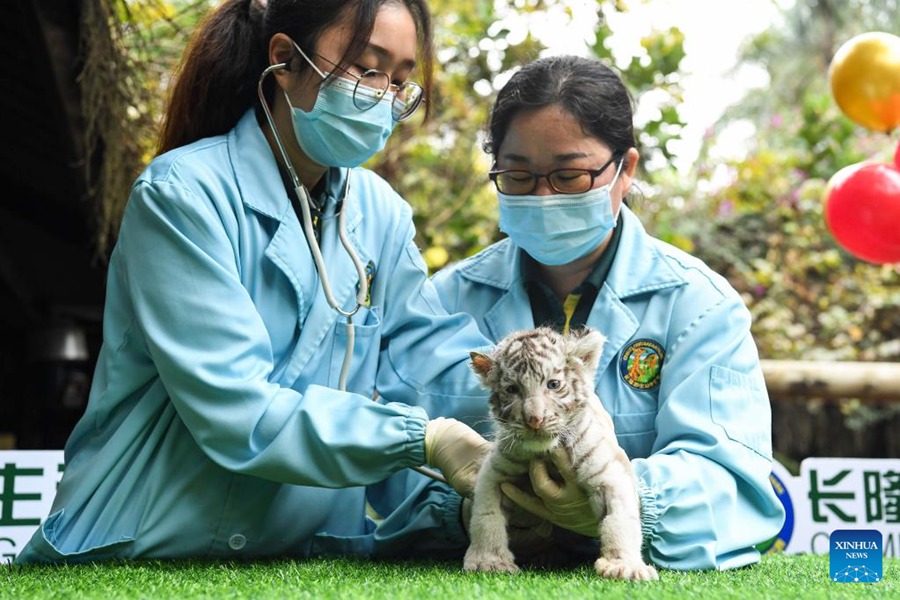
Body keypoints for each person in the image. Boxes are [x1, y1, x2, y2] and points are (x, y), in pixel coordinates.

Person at [16, 0, 500, 564]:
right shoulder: (183, 195)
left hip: (306, 558)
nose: (383, 95)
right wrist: (423, 440)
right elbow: (236, 408)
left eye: (399, 80)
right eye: (366, 68)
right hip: (143, 545)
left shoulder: (381, 216)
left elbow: (431, 369)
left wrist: (542, 411)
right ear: (285, 59)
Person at [431, 54, 786, 571]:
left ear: (626, 171)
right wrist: (464, 512)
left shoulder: (701, 306)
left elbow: (734, 489)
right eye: (518, 176)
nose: (543, 196)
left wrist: (617, 496)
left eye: (570, 175)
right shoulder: (444, 301)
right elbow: (389, 475)